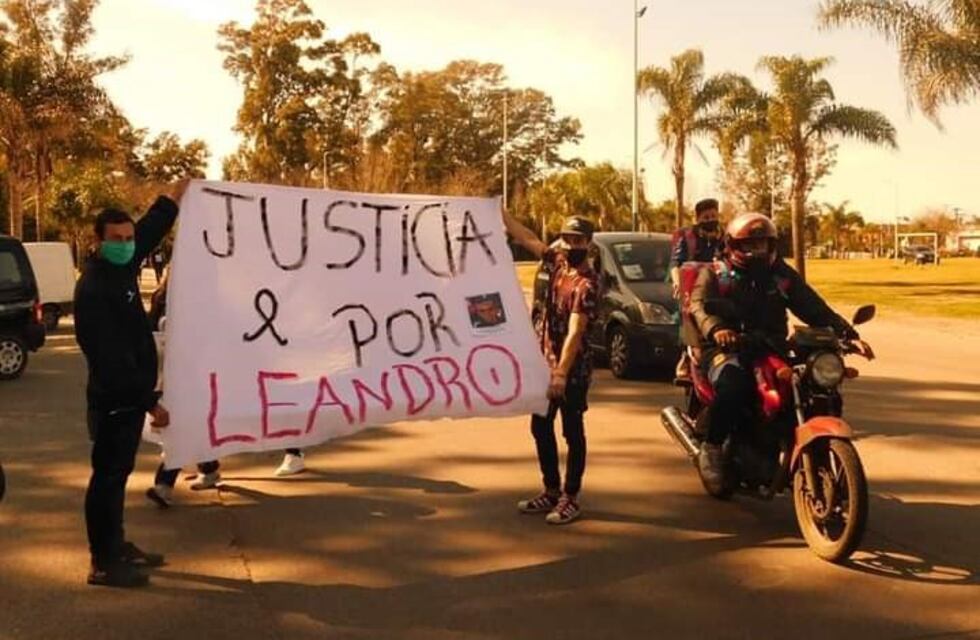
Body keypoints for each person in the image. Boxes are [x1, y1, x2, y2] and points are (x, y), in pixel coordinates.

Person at [688, 212, 873, 493]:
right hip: (726, 347)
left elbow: (812, 306)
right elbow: (699, 307)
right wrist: (716, 329)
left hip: (770, 346)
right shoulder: (715, 274)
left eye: (762, 244)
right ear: (733, 245)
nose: (756, 251)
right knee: (734, 385)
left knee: (813, 385)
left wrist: (848, 334)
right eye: (749, 245)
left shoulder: (781, 276)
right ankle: (712, 447)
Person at [74, 179, 189, 588]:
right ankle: (102, 562)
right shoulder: (94, 287)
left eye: (128, 237)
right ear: (99, 241)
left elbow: (150, 228)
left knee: (116, 476)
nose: (126, 243)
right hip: (113, 402)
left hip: (126, 400)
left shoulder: (121, 267)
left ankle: (116, 544)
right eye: (117, 238)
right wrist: (149, 401)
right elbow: (109, 360)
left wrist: (172, 199)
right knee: (106, 479)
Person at [503, 211, 599, 525]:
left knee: (572, 430)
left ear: (589, 243)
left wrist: (561, 373)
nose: (571, 245)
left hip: (571, 369)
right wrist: (498, 212)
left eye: (578, 240)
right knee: (540, 427)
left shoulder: (587, 284)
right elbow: (527, 238)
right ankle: (550, 489)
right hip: (544, 363)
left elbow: (576, 331)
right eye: (567, 239)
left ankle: (571, 497)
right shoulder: (556, 262)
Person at [669, 198, 724, 382]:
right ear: (698, 218)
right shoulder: (686, 236)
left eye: (713, 216)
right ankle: (686, 354)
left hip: (717, 285)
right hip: (690, 284)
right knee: (687, 315)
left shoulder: (724, 236)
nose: (710, 219)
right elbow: (675, 263)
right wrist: (678, 282)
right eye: (706, 217)